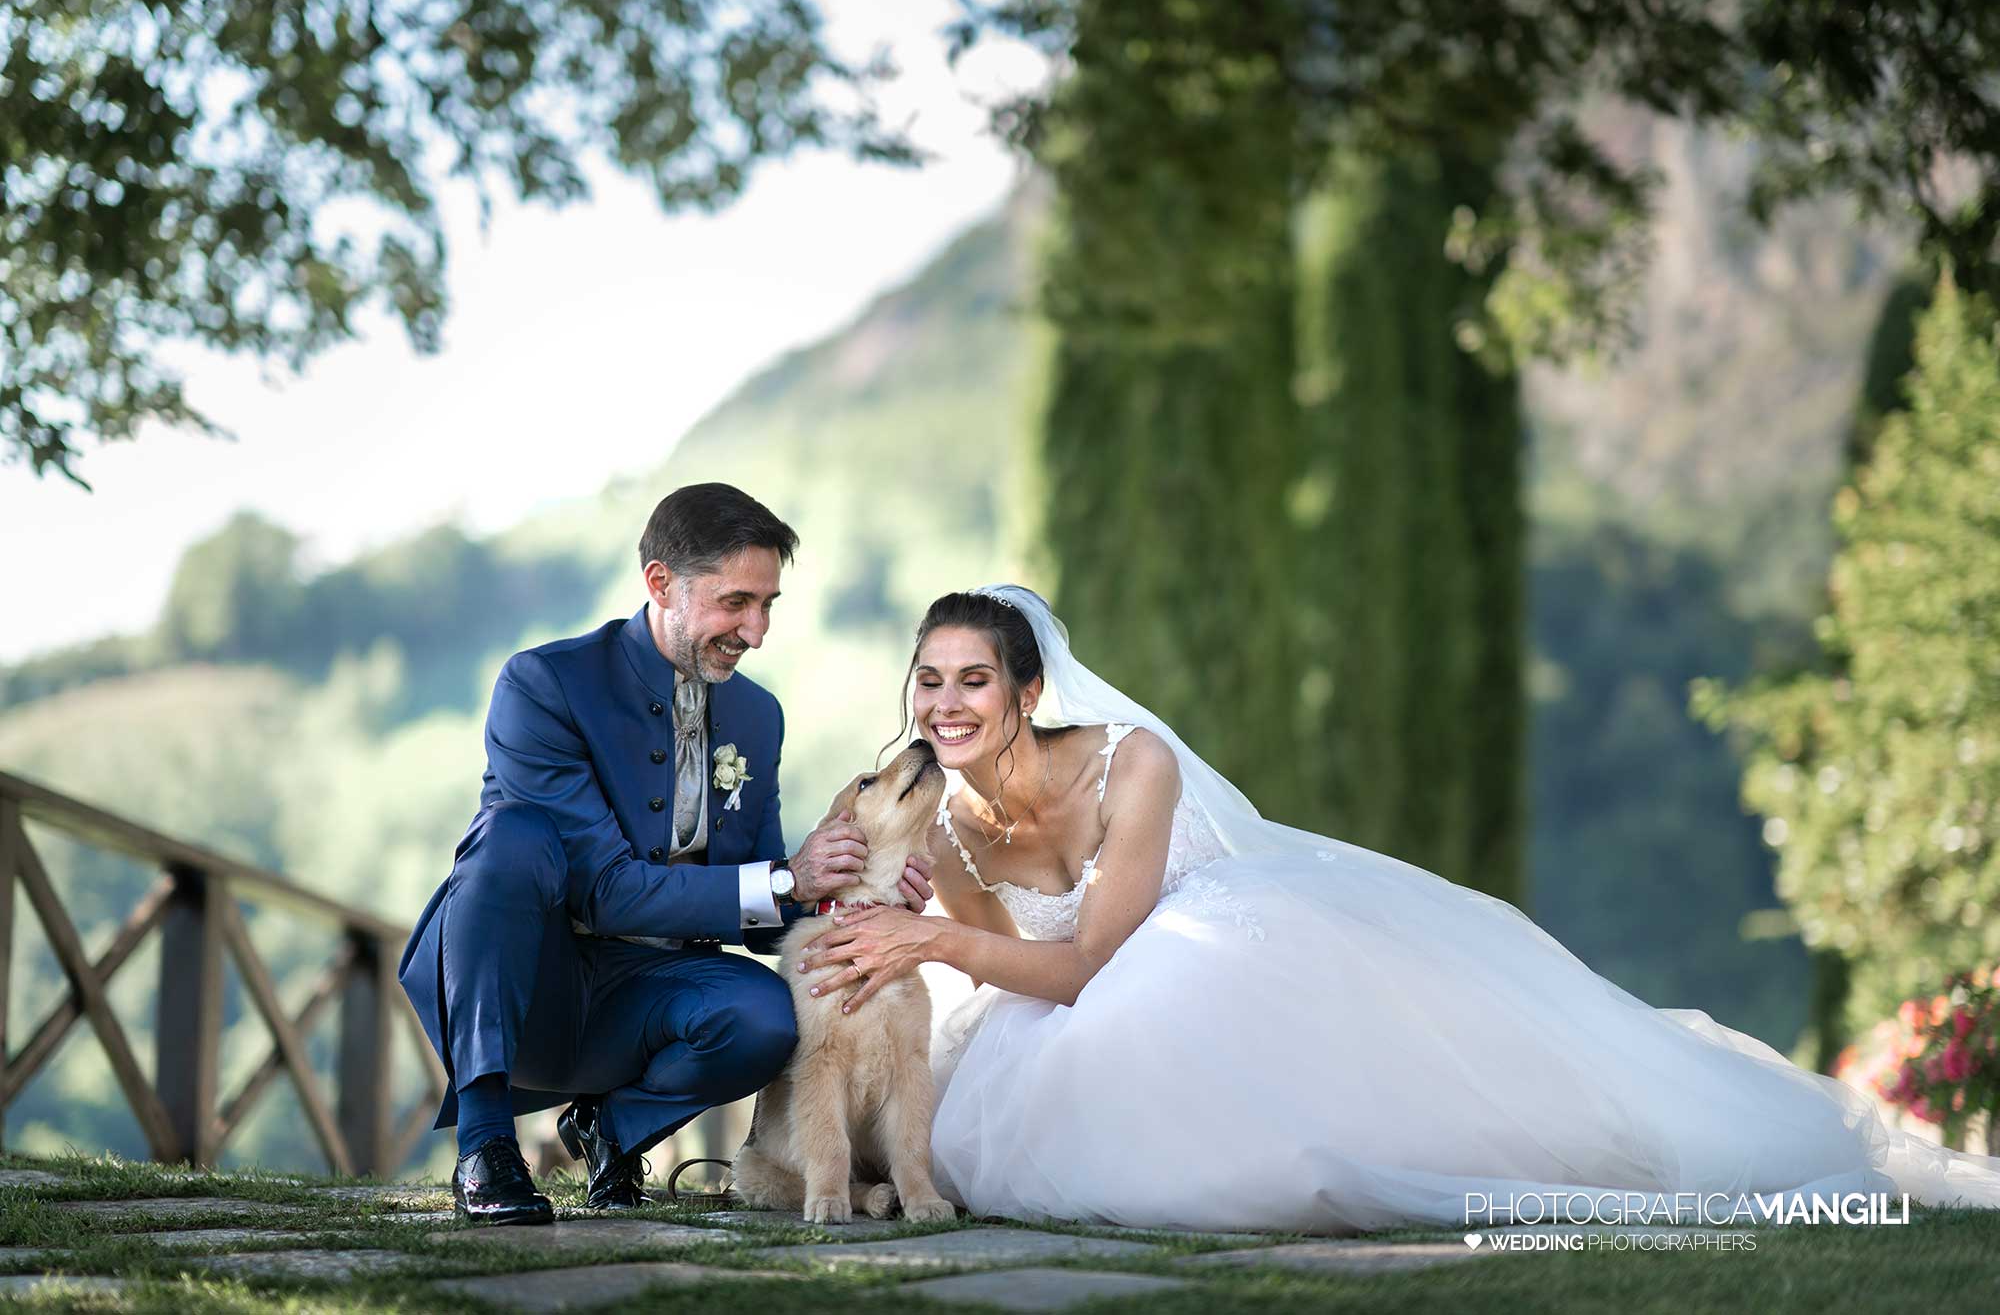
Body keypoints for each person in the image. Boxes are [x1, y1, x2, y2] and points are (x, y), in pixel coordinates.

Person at [798, 585, 2000, 1234]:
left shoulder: (1132, 761)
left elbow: (1097, 961)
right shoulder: (944, 816)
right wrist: (898, 911)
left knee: (1226, 1043)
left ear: (1023, 688)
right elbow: (1013, 965)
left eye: (972, 678)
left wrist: (931, 937)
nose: (945, 702)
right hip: (1074, 993)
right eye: (927, 679)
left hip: (1204, 954)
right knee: (1009, 1101)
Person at [399, 483, 932, 1225]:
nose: (757, 630)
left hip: (651, 994)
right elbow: (609, 890)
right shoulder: (544, 685)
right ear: (660, 584)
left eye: (769, 604)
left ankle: (612, 1132)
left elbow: (761, 914)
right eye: (736, 602)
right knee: (509, 838)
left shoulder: (758, 715)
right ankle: (486, 1144)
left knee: (766, 1015)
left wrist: (857, 888)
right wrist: (784, 878)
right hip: (536, 987)